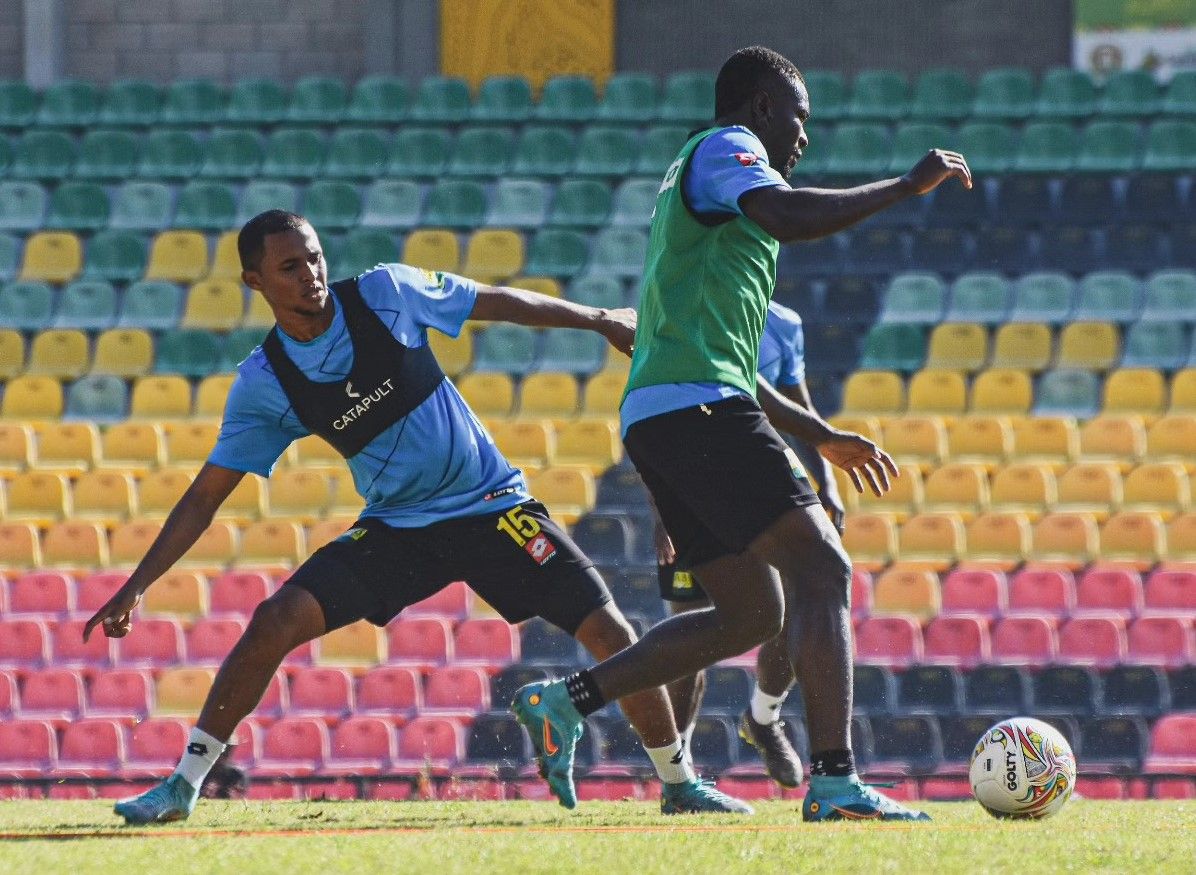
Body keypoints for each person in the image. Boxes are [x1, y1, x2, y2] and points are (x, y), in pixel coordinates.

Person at [85, 210, 751, 823]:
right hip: (399, 526)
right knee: (274, 620)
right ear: (253, 279)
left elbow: (497, 302)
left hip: (494, 506)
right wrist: (138, 583)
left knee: (610, 626)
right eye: (290, 267)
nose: (310, 274)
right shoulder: (266, 380)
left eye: (314, 258)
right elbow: (206, 494)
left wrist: (597, 317)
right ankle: (182, 783)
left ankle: (679, 782)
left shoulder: (384, 293)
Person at [512, 45, 972, 822]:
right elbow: (788, 216)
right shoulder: (732, 151)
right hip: (697, 412)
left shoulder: (715, 210)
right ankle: (833, 780)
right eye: (798, 119)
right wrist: (905, 185)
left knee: (753, 613)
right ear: (761, 108)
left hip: (670, 411)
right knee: (823, 566)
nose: (802, 138)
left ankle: (563, 699)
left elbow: (737, 366)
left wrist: (819, 435)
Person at [656, 300, 842, 790]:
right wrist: (663, 509)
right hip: (693, 485)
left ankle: (762, 717)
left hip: (761, 487)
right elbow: (655, 408)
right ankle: (679, 769)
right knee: (690, 632)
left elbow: (796, 401)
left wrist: (828, 483)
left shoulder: (785, 324)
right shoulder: (680, 311)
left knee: (796, 601)